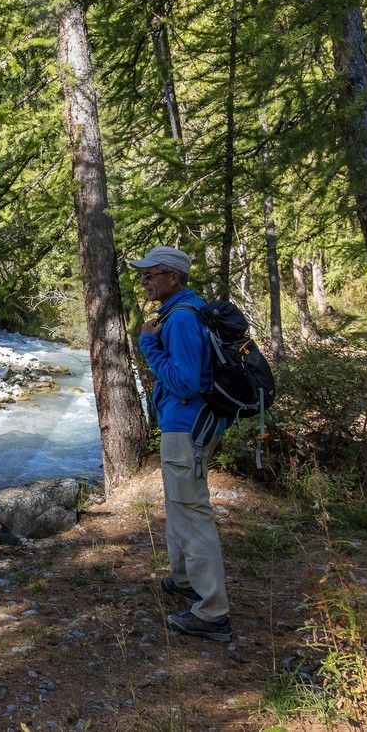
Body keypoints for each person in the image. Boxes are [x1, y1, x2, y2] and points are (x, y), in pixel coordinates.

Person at [132, 244, 233, 642]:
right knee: (180, 506)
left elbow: (186, 383)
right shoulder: (184, 312)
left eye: (150, 274)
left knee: (192, 513)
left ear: (173, 277)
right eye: (142, 275)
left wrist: (148, 345)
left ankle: (213, 613)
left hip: (187, 427)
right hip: (191, 426)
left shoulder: (182, 319)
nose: (144, 281)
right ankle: (185, 580)